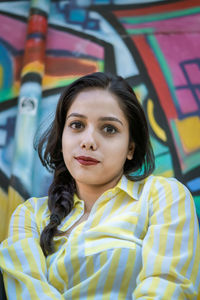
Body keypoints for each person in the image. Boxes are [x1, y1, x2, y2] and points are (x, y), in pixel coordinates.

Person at [0, 72, 199, 299]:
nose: (88, 141)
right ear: (62, 137)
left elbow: (169, 286)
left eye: (109, 129)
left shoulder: (163, 196)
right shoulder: (29, 216)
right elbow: (28, 291)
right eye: (77, 125)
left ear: (131, 147)